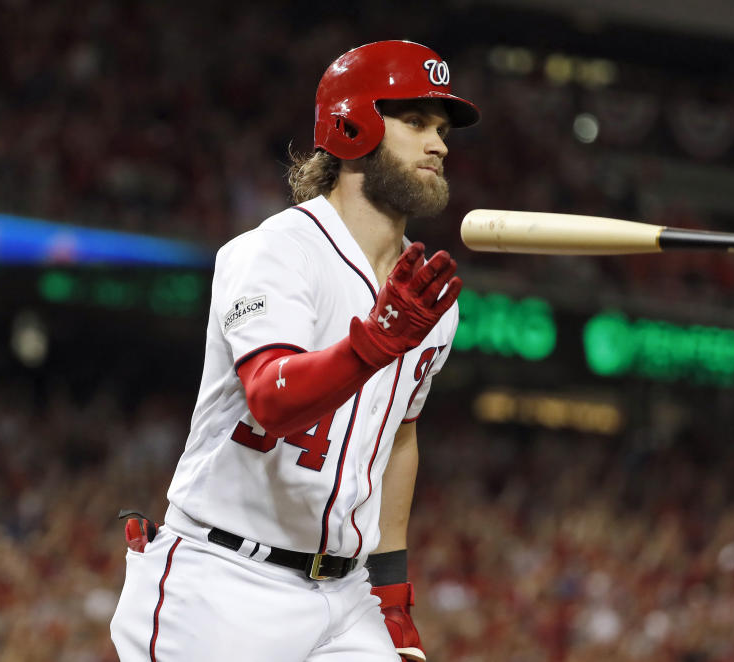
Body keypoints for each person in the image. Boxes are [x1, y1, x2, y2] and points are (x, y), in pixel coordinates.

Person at [110, 40, 479, 662]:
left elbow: (401, 438)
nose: (438, 144)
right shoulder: (277, 251)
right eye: (415, 122)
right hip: (224, 583)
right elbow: (271, 398)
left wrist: (391, 595)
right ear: (352, 124)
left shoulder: (426, 296)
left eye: (441, 128)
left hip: (344, 597)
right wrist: (374, 343)